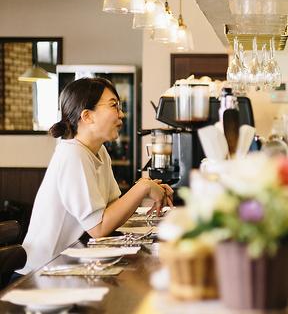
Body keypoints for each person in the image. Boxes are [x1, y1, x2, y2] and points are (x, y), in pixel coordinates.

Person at [16, 77, 173, 275]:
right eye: (114, 106)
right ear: (87, 116)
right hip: (41, 273)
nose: (121, 114)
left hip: (70, 265)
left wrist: (148, 188)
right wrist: (142, 188)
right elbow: (98, 228)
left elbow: (113, 211)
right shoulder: (72, 154)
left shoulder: (98, 151)